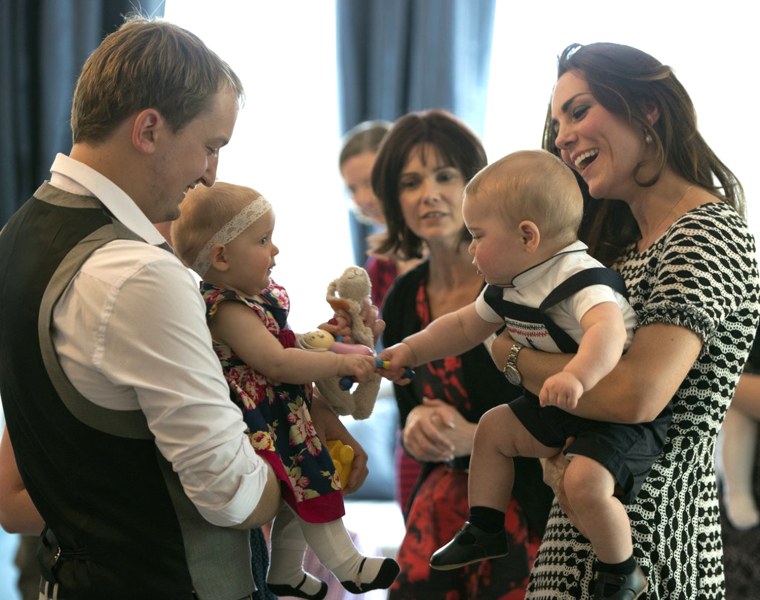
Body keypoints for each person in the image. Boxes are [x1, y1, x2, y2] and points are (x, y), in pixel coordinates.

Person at [0, 16, 368, 600]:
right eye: (211, 146)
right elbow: (231, 494)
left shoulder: (16, 237)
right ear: (148, 129)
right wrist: (312, 472)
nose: (211, 173)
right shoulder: (139, 272)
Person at [494, 42, 759, 599]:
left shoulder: (706, 232)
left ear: (647, 109)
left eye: (579, 109)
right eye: (556, 121)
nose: (563, 135)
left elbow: (636, 395)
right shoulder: (623, 250)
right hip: (584, 534)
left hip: (656, 542)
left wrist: (514, 359)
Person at [380, 148, 651, 596]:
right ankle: (485, 526)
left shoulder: (581, 278)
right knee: (493, 429)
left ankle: (621, 568)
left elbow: (606, 333)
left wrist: (576, 377)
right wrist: (409, 349)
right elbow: (463, 326)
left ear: (527, 236)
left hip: (609, 415)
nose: (470, 248)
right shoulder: (511, 285)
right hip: (561, 406)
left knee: (584, 483)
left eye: (478, 235)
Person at [170, 182, 400, 599]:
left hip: (285, 414)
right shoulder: (228, 309)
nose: (274, 250)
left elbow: (289, 345)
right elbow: (276, 362)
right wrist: (340, 362)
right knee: (311, 478)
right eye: (262, 240)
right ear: (221, 256)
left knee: (302, 489)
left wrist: (327, 337)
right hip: (264, 421)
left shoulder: (254, 298)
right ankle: (348, 565)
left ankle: (285, 570)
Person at [371, 109, 553, 599]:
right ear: (395, 199)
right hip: (438, 505)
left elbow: (564, 412)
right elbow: (409, 411)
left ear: (477, 186)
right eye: (410, 182)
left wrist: (477, 438)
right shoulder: (403, 296)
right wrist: (414, 430)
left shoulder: (518, 288)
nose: (428, 192)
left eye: (445, 176)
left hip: (527, 505)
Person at [339, 119, 424, 513]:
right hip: (415, 409)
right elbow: (367, 343)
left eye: (368, 182)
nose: (362, 198)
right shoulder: (376, 269)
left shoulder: (459, 248)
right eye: (351, 188)